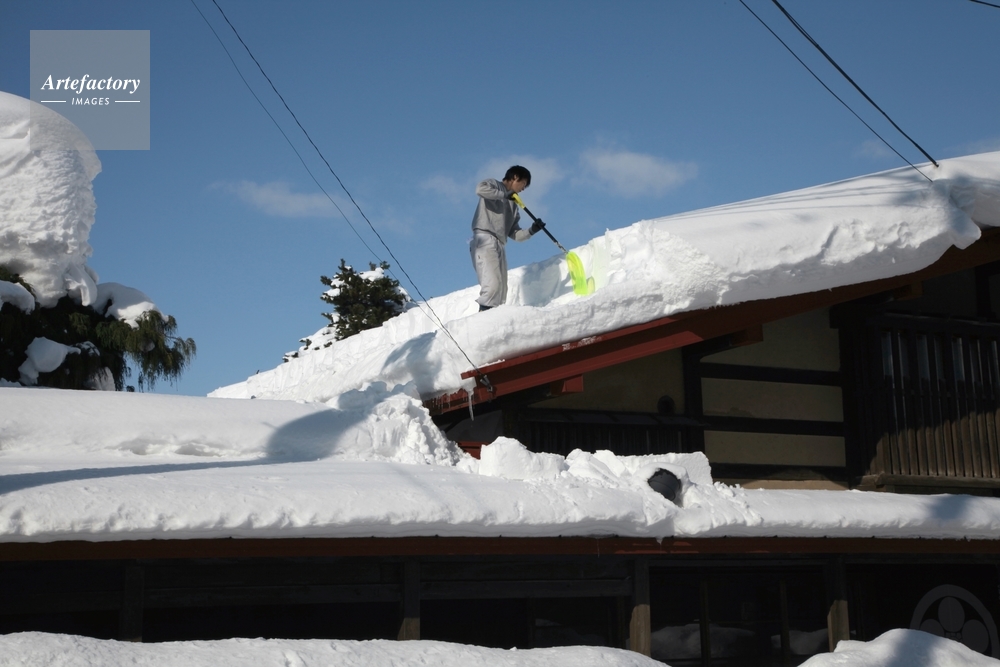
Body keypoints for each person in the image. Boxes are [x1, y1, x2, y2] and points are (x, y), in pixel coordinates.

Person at [470, 165, 545, 311]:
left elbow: (515, 233)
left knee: (501, 289)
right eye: (524, 183)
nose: (523, 189)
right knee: (492, 286)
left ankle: (494, 318)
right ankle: (483, 318)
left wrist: (532, 230)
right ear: (515, 177)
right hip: (484, 238)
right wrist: (504, 195)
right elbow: (480, 190)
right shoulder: (494, 184)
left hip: (499, 243)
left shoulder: (513, 204)